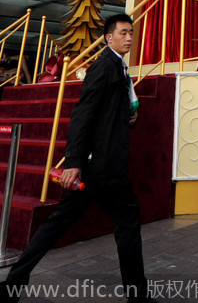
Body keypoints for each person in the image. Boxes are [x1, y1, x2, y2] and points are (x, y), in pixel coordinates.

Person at [0, 15, 154, 302]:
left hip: (100, 165)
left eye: (131, 33)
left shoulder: (118, 67)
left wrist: (129, 117)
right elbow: (83, 114)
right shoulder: (104, 66)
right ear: (109, 38)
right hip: (104, 166)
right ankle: (138, 296)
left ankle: (12, 285)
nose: (129, 38)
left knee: (59, 223)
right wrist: (73, 161)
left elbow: (107, 114)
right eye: (123, 33)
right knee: (127, 224)